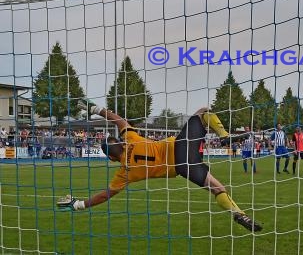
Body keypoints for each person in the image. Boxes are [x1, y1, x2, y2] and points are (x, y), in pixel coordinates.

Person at [56, 98, 262, 232]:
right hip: (182, 147)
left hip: (183, 168)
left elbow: (105, 195)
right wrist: (96, 109)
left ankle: (239, 215)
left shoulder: (125, 173)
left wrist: (79, 205)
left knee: (217, 189)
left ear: (111, 159)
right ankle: (225, 136)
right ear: (119, 142)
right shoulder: (132, 139)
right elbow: (119, 120)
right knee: (203, 112)